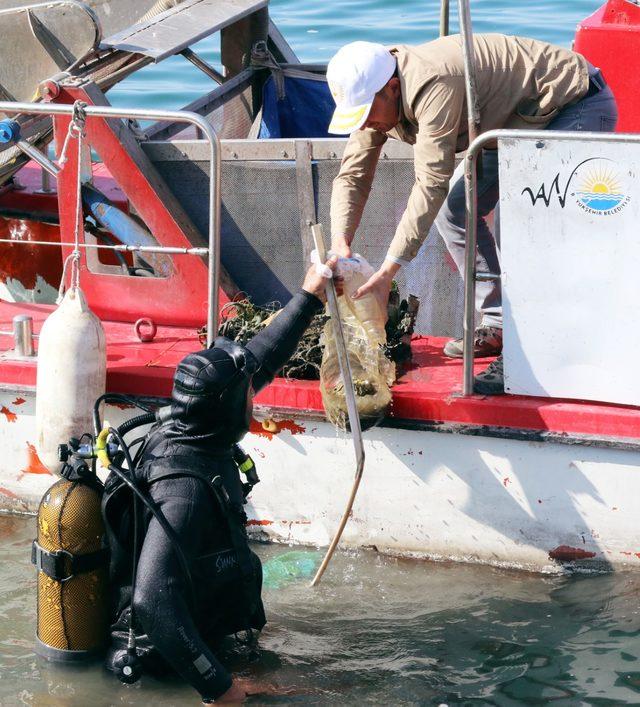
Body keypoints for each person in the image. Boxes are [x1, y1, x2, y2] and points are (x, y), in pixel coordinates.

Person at [327, 34, 618, 394]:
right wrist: (340, 242)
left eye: (367, 112)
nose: (366, 123)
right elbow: (353, 173)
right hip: (509, 123)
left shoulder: (433, 83)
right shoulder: (376, 100)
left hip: (573, 104)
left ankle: (528, 353)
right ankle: (498, 322)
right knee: (455, 211)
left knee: (526, 221)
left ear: (392, 88)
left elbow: (430, 182)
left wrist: (388, 271)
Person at [103, 259, 338, 703]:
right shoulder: (185, 489)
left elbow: (261, 359)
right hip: (163, 665)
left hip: (205, 635)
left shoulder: (192, 425)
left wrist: (310, 297)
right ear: (228, 409)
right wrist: (221, 690)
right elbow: (153, 604)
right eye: (249, 393)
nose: (256, 394)